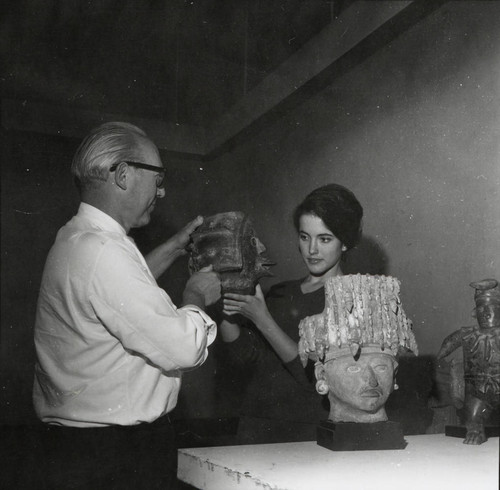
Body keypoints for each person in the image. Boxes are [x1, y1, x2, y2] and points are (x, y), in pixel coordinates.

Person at [32, 122, 221, 489]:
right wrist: (195, 296)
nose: (161, 192)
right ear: (122, 174)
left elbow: (112, 298)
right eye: (158, 178)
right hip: (119, 457)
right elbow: (183, 348)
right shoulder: (105, 251)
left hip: (78, 450)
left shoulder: (75, 238)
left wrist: (175, 246)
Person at [220, 183, 363, 443]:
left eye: (325, 238)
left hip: (307, 429)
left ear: (345, 243)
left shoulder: (353, 298)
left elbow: (316, 378)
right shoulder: (280, 291)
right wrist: (229, 307)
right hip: (254, 422)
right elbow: (243, 358)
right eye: (304, 236)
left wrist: (263, 320)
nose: (312, 250)